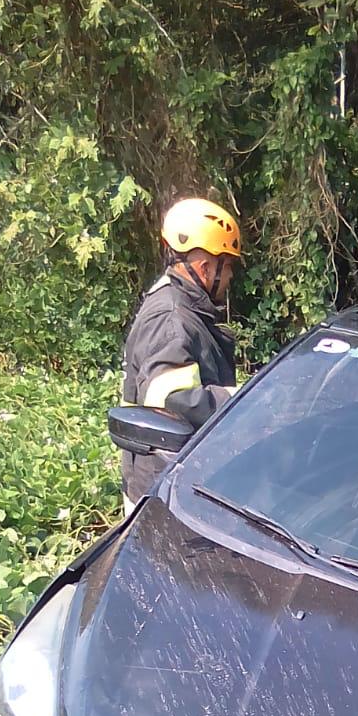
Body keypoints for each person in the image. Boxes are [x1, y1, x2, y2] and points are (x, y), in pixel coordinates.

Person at [119, 197, 242, 513]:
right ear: (205, 268)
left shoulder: (177, 300)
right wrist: (237, 399)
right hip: (160, 490)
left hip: (170, 480)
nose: (229, 279)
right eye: (227, 268)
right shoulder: (173, 318)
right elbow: (170, 398)